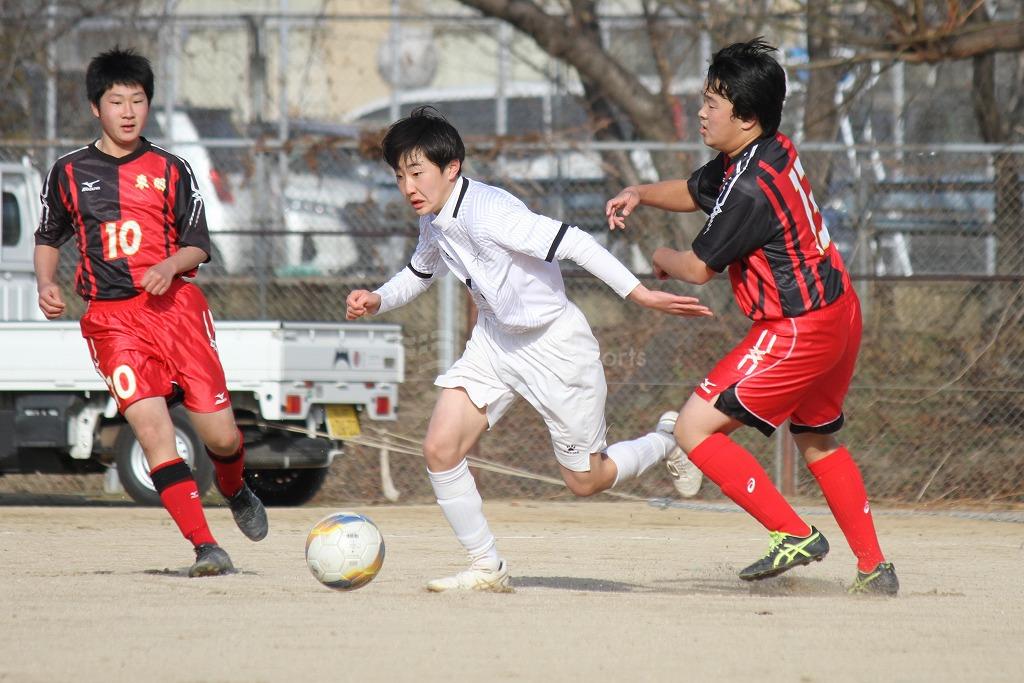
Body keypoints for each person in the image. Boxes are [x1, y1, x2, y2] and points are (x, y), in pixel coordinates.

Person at [346, 106, 711, 592]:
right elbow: (420, 271)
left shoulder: (491, 211)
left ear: (451, 167)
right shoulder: (434, 218)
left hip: (555, 347)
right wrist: (378, 299)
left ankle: (669, 439)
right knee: (439, 448)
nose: (409, 186)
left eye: (417, 173)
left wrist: (640, 294)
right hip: (496, 343)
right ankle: (485, 566)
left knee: (586, 480)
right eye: (400, 176)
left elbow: (575, 241)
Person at [605, 38, 898, 595]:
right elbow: (696, 190)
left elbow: (695, 269)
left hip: (797, 327)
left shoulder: (750, 191)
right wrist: (640, 192)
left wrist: (655, 259)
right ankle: (873, 568)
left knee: (694, 427)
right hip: (839, 313)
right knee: (817, 439)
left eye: (714, 101)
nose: (702, 109)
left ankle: (791, 532)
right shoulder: (769, 150)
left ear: (746, 116)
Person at [34, 47, 268, 577]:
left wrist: (169, 266)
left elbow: (198, 244)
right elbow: (49, 235)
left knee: (221, 436)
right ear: (96, 107)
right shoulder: (68, 172)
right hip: (111, 322)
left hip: (175, 310)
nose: (128, 111)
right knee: (153, 431)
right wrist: (46, 282)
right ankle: (206, 547)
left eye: (137, 100)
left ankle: (234, 488)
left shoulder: (172, 168)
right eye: (116, 101)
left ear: (149, 105)